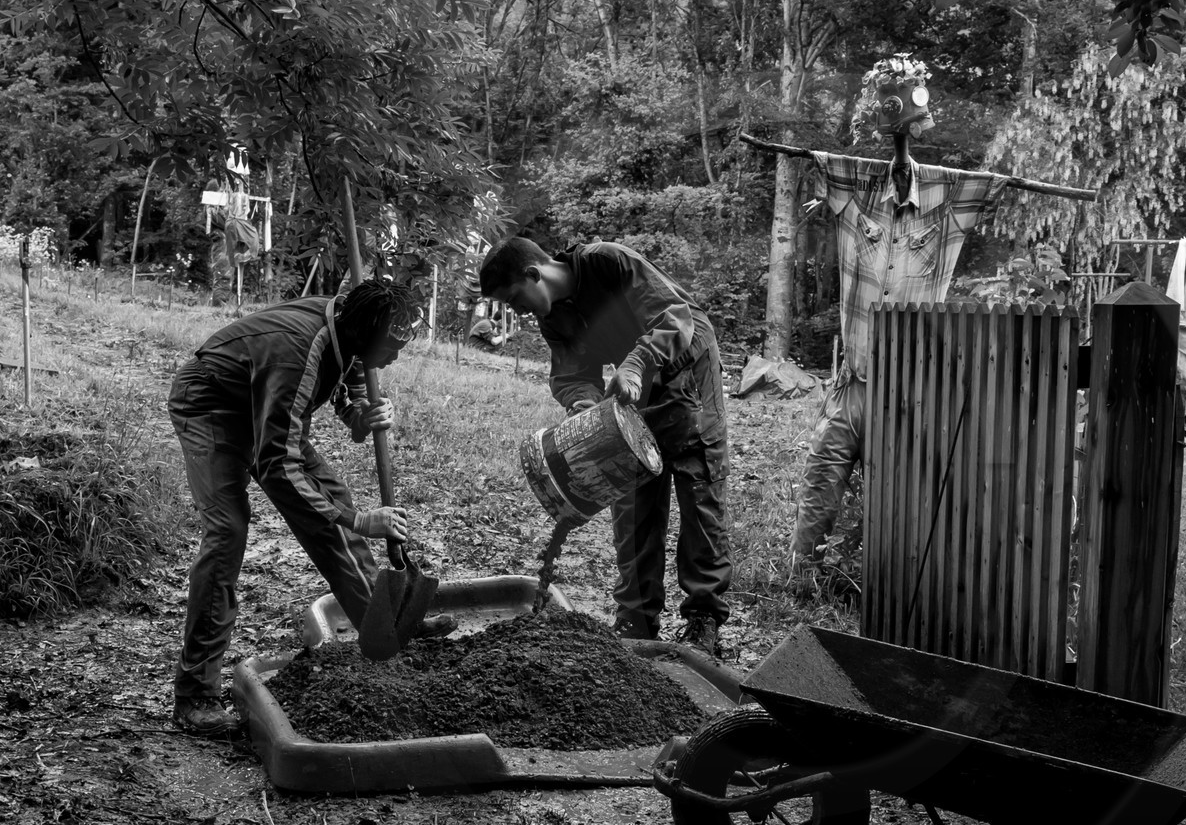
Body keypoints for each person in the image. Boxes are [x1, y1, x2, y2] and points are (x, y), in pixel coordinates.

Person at [167, 280, 452, 737]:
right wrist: (358, 520)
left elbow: (347, 388)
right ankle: (195, 693)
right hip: (213, 406)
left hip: (266, 405)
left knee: (330, 503)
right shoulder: (297, 350)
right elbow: (278, 463)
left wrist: (362, 415)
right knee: (227, 533)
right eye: (390, 348)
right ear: (362, 334)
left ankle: (386, 629)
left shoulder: (350, 330)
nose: (395, 359)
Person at [782, 60, 1011, 566]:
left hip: (906, 390)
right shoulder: (858, 201)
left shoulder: (945, 212)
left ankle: (885, 576)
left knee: (899, 491)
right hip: (854, 382)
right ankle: (802, 573)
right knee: (824, 470)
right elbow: (820, 164)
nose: (904, 173)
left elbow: (994, 184)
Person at [477, 235, 730, 656]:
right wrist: (583, 405)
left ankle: (703, 619)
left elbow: (675, 316)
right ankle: (636, 618)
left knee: (697, 487)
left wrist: (637, 363)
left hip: (687, 364)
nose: (515, 311)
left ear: (533, 273)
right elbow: (573, 376)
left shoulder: (606, 262)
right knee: (630, 493)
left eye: (514, 298)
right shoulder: (553, 318)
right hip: (635, 387)